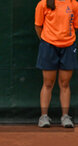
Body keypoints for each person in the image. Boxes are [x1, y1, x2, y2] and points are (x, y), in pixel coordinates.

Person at [35, 0, 78, 128]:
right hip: (48, 46)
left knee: (65, 83)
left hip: (69, 46)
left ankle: (65, 117)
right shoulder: (43, 4)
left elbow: (75, 26)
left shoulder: (74, 4)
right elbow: (38, 26)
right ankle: (43, 117)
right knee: (48, 83)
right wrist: (47, 40)